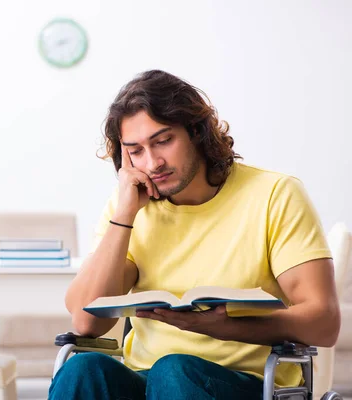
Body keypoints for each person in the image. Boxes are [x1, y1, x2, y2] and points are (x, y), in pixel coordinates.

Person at [48, 70, 341, 400]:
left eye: (163, 141)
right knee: (83, 368)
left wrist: (228, 327)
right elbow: (88, 324)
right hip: (148, 379)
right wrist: (125, 216)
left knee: (173, 371)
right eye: (136, 151)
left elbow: (323, 322)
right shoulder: (127, 208)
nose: (153, 162)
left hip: (246, 383)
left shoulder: (275, 194)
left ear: (197, 132)